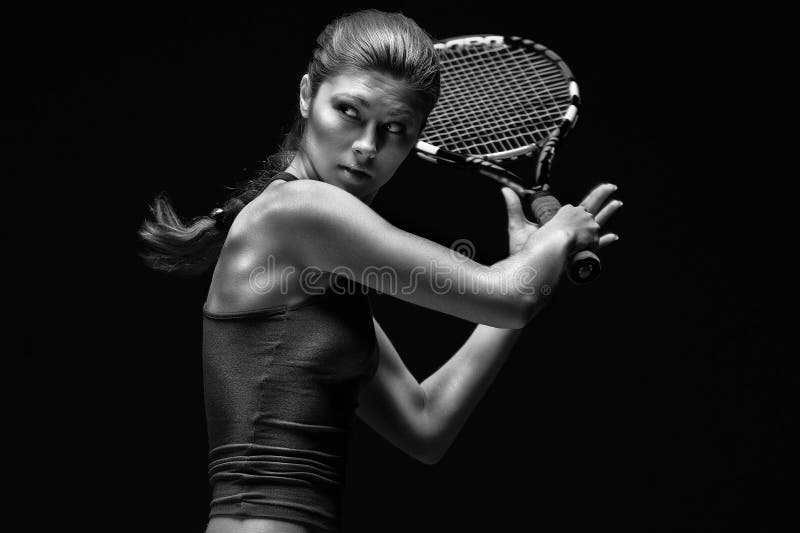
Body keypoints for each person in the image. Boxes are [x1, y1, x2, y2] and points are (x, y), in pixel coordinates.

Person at [137, 9, 622, 533]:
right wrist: (555, 240)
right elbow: (508, 297)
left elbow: (425, 423)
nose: (367, 146)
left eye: (394, 129)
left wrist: (529, 265)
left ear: (415, 139)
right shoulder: (302, 212)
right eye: (348, 111)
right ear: (307, 95)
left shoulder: (319, 269)